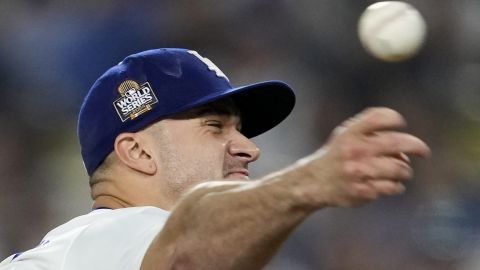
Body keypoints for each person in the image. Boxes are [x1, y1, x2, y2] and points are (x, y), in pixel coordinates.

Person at [0, 48, 430, 270]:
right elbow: (186, 249)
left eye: (240, 129)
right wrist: (309, 182)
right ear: (137, 151)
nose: (250, 147)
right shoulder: (105, 239)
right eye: (215, 126)